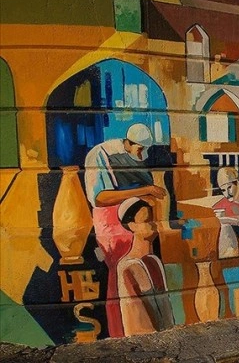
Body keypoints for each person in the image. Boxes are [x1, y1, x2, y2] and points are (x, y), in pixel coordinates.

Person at [84, 123, 167, 337]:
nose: (141, 154)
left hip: (135, 222)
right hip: (113, 226)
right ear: (128, 142)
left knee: (146, 276)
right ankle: (121, 330)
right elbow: (100, 197)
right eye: (139, 149)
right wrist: (144, 191)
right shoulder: (101, 154)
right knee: (123, 277)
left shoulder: (138, 158)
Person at [116, 197, 174, 335]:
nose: (153, 225)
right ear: (132, 225)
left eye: (153, 219)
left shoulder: (153, 261)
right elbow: (136, 318)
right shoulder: (128, 267)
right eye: (146, 221)